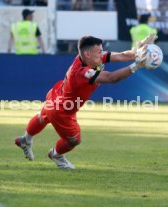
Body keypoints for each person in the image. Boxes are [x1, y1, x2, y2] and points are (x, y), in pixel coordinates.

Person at [15, 34, 158, 169]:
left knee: (42, 117)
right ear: (87, 54)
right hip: (63, 110)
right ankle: (56, 155)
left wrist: (141, 49)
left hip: (58, 95)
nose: (102, 54)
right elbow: (111, 78)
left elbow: (123, 55)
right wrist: (136, 66)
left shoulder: (90, 57)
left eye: (102, 50)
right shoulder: (82, 72)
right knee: (74, 140)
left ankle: (25, 139)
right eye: (99, 51)